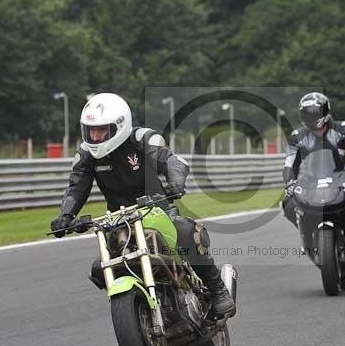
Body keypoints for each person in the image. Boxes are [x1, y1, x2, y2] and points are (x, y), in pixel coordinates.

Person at [50, 92, 235, 314]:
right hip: (118, 222)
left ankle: (218, 290)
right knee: (99, 268)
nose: (95, 137)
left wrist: (175, 183)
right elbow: (76, 186)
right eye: (91, 131)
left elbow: (173, 161)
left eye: (101, 130)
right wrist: (66, 216)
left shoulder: (142, 139)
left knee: (186, 232)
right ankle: (137, 307)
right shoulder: (86, 153)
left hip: (157, 212)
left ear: (119, 126)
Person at [280, 92, 345, 252]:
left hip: (343, 177)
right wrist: (290, 182)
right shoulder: (297, 137)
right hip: (311, 181)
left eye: (314, 113)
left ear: (325, 111)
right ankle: (306, 234)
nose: (310, 117)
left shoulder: (344, 129)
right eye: (306, 113)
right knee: (287, 203)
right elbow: (289, 165)